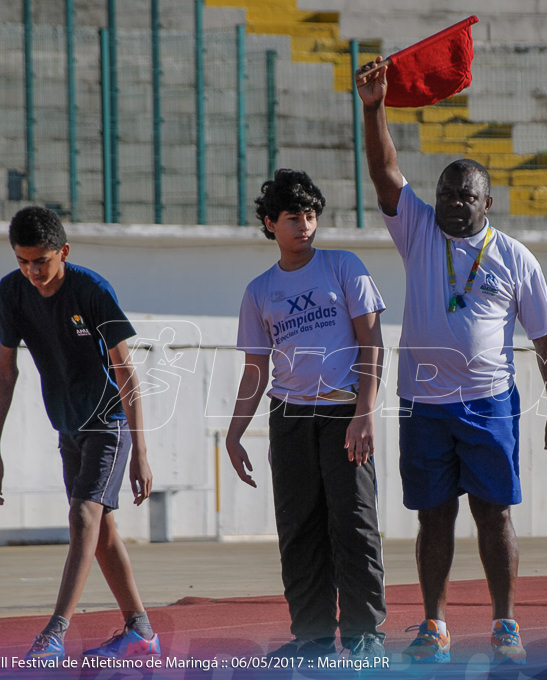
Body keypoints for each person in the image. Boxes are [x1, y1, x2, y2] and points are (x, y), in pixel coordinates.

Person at [356, 57, 547, 665]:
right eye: (446, 193)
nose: (453, 202)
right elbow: (384, 170)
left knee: (493, 513)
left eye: (466, 195)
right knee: (433, 518)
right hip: (424, 404)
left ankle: (505, 624)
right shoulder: (419, 232)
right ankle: (434, 623)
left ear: (487, 201)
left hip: (488, 404)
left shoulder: (515, 258)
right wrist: (375, 107)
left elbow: (546, 342)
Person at [225, 169, 387, 661]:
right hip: (290, 418)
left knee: (354, 525)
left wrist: (365, 412)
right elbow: (256, 367)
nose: (304, 225)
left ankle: (365, 638)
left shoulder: (344, 266)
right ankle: (313, 639)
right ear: (271, 223)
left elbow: (372, 341)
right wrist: (235, 434)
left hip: (343, 414)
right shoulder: (259, 290)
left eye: (311, 215)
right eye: (293, 217)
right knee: (299, 529)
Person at [0, 206, 159, 661]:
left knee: (83, 517)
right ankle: (141, 630)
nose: (32, 271)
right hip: (67, 426)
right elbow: (6, 373)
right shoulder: (11, 292)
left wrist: (141, 450)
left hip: (110, 423)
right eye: (22, 261)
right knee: (101, 534)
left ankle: (54, 633)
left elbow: (126, 371)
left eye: (40, 260)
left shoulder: (93, 290)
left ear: (63, 251)